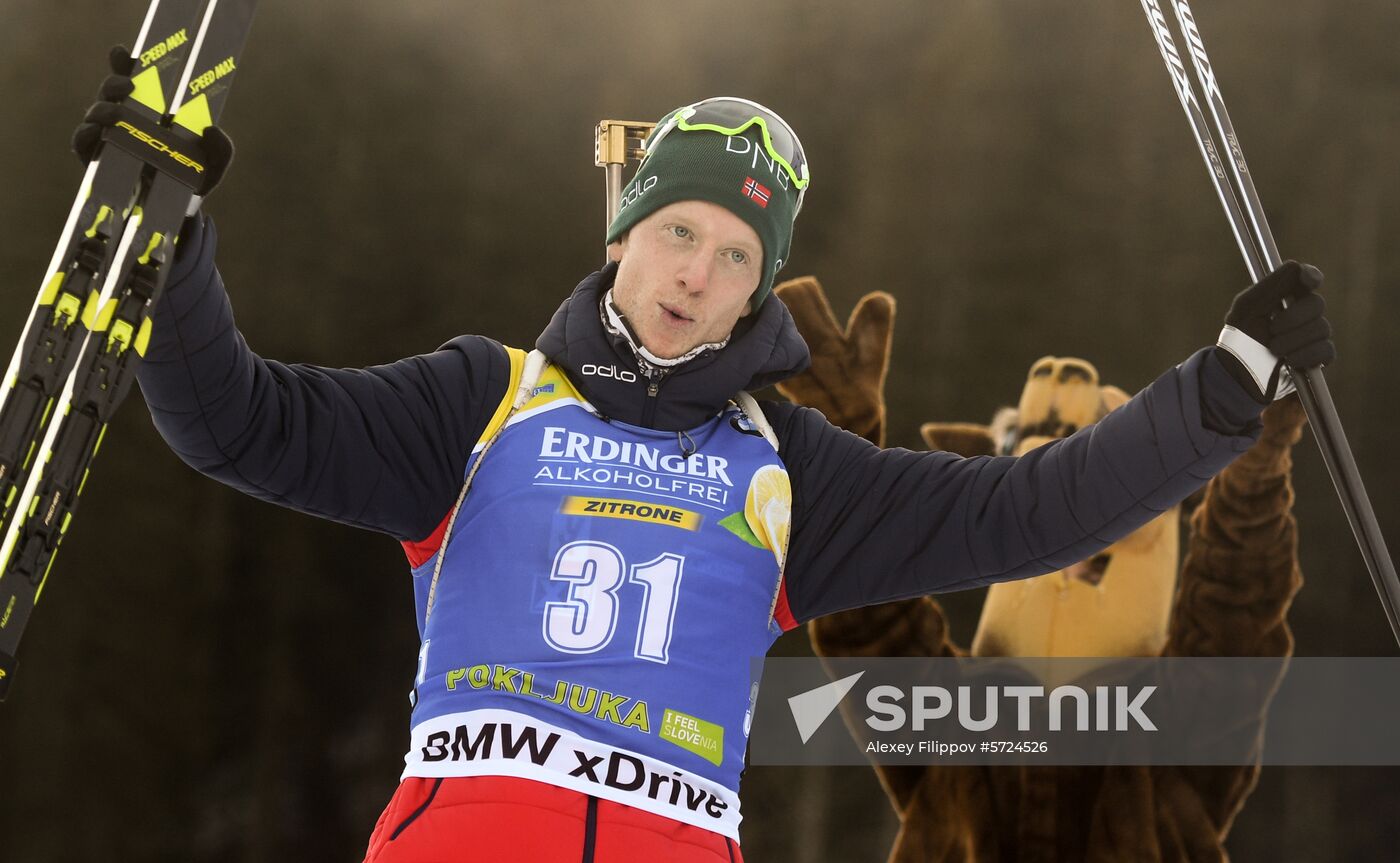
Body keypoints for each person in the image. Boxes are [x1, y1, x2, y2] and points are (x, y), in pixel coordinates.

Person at [76, 89, 1332, 862]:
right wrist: (173, 244)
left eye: (736, 256)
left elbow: (1024, 511)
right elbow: (243, 425)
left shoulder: (786, 469)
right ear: (625, 232)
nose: (695, 273)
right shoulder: (484, 399)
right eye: (678, 231)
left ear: (755, 290)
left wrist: (1223, 388)